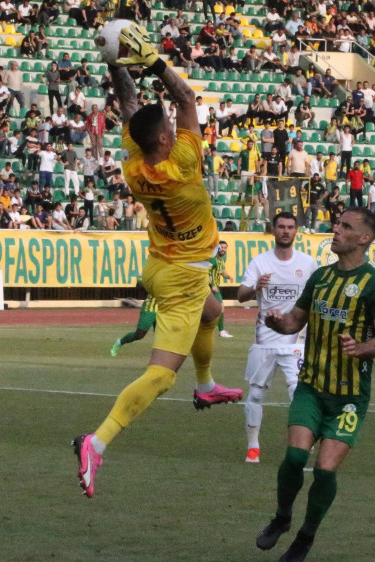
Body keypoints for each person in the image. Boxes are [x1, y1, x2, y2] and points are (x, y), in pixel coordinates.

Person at [72, 24, 241, 499]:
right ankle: (97, 442)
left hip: (163, 263)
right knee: (162, 374)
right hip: (184, 276)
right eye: (168, 128)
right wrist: (151, 60)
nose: (173, 125)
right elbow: (186, 97)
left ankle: (206, 384)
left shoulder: (133, 163)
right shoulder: (182, 164)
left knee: (214, 310)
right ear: (166, 141)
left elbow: (131, 110)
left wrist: (115, 64)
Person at [255, 208, 375, 562]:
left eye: (346, 226)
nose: (336, 229)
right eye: (337, 224)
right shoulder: (319, 277)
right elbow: (293, 323)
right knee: (295, 458)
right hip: (311, 387)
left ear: (364, 238)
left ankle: (304, 538)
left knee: (325, 471)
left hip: (349, 398)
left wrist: (360, 348)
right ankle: (283, 516)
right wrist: (278, 321)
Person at [237, 212, 318, 464]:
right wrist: (255, 287)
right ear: (273, 230)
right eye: (281, 226)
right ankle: (253, 447)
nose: (285, 231)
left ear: (296, 231)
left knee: (298, 393)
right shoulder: (260, 262)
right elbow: (241, 295)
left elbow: (316, 298)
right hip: (265, 340)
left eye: (290, 227)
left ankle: (302, 446)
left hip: (295, 342)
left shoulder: (308, 264)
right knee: (256, 394)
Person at [210, 240, 234, 337]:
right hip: (209, 287)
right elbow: (206, 273)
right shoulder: (212, 259)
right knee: (220, 307)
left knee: (218, 308)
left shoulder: (223, 259)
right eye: (221, 247)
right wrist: (212, 285)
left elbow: (222, 272)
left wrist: (229, 277)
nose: (223, 250)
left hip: (215, 286)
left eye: (225, 247)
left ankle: (221, 330)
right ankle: (221, 331)